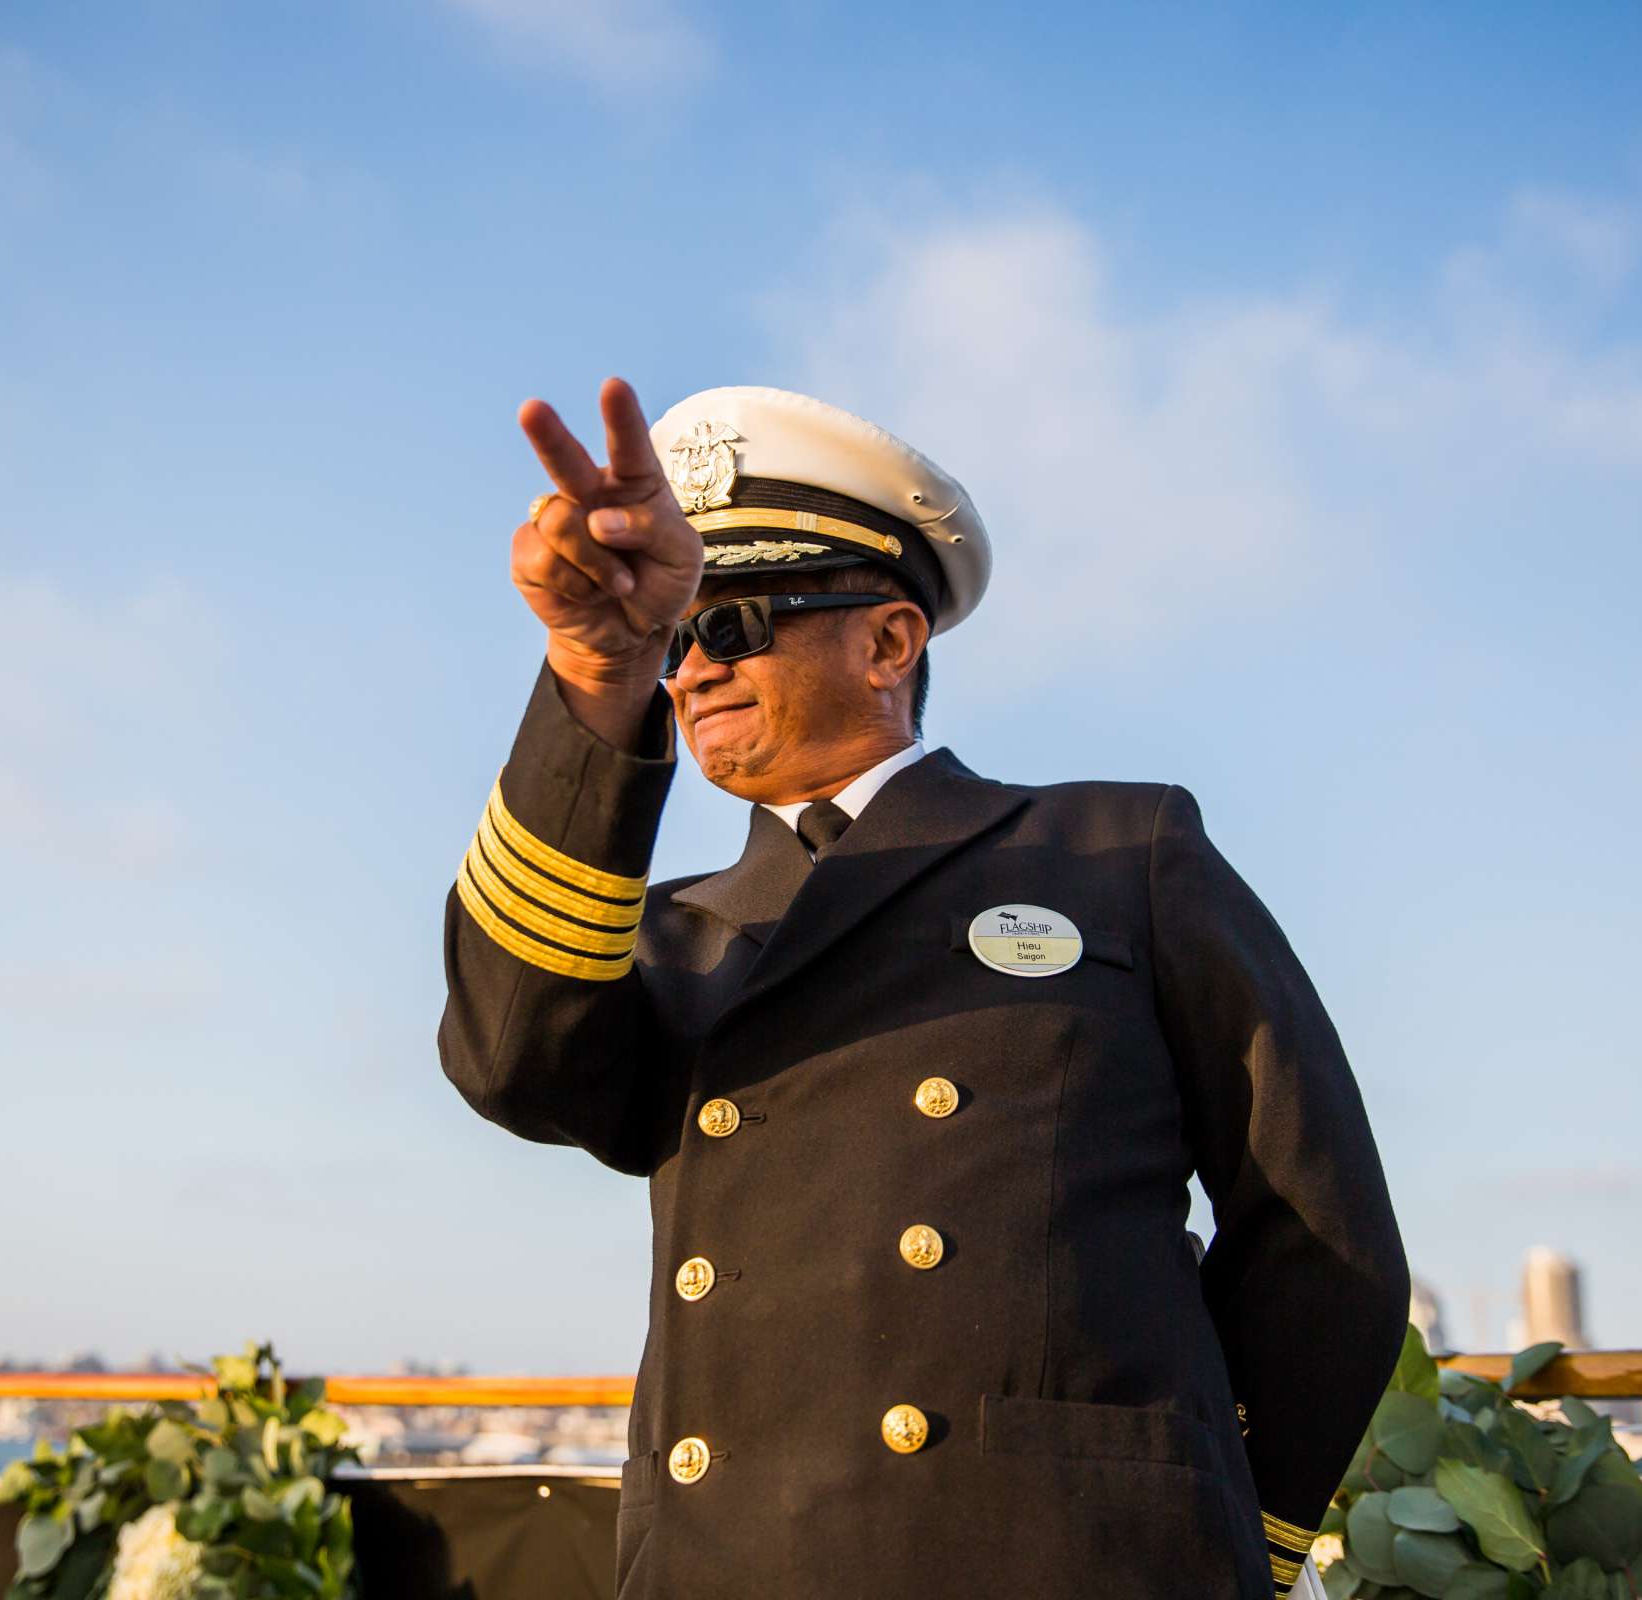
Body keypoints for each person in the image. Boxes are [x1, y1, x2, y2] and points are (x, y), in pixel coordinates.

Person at [437, 377, 1408, 1600]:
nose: (689, 672)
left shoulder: (1117, 850)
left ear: (889, 640)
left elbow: (1321, 1236)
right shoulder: (667, 932)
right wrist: (594, 664)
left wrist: (1203, 1533)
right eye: (672, 641)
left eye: (728, 625)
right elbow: (504, 1059)